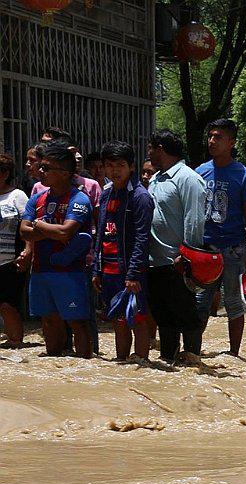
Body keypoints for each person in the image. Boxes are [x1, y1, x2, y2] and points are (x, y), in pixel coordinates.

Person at [17, 143, 93, 358]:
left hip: (70, 272)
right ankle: (54, 360)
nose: (41, 172)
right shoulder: (37, 198)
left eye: (47, 168)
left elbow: (66, 232)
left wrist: (39, 226)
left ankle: (84, 364)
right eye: (41, 167)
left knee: (77, 321)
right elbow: (24, 231)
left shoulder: (79, 199)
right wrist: (51, 230)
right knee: (49, 319)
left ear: (65, 173)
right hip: (41, 270)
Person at [195, 118, 246, 357]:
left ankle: (234, 354)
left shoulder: (244, 176)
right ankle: (194, 351)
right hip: (205, 248)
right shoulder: (200, 172)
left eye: (218, 137)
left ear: (231, 142)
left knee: (234, 302)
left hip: (233, 247)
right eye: (210, 136)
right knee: (200, 302)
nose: (212, 141)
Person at [145, 129, 207, 362]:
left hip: (178, 262)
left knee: (187, 316)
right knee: (164, 317)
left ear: (160, 148)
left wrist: (187, 256)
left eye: (150, 148)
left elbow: (195, 219)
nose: (149, 153)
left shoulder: (188, 178)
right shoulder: (155, 178)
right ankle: (167, 361)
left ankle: (192, 362)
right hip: (154, 261)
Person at [95, 141, 154, 361]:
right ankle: (121, 365)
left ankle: (141, 362)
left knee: (137, 319)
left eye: (120, 165)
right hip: (108, 270)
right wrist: (96, 269)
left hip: (129, 271)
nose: (114, 170)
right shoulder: (106, 193)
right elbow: (101, 234)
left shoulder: (140, 197)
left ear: (131, 166)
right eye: (109, 165)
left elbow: (142, 238)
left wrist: (133, 274)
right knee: (118, 321)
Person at [0, 153, 30, 347]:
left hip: (10, 260)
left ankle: (16, 343)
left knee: (7, 304)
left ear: (4, 174)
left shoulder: (17, 196)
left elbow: (29, 227)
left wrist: (28, 251)